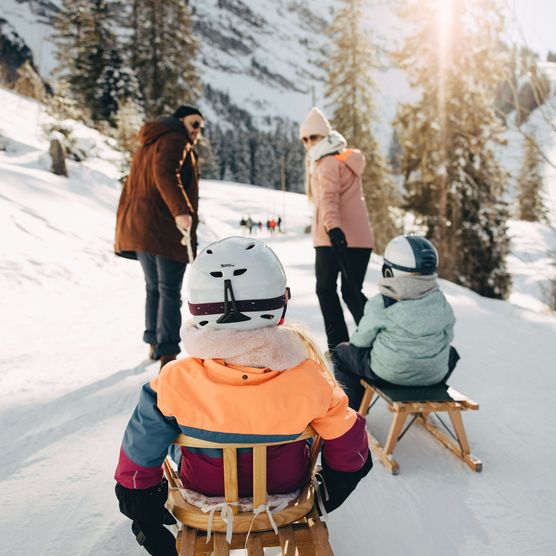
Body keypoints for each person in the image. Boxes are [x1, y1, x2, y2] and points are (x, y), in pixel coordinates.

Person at [114, 236, 372, 556]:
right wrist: (331, 490)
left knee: (171, 435)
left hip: (202, 494)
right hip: (285, 493)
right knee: (306, 433)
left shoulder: (174, 380)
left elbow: (137, 455)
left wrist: (145, 514)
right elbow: (352, 446)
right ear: (281, 304)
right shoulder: (311, 378)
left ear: (197, 308)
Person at [114, 105, 205, 369]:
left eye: (201, 126)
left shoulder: (149, 143)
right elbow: (166, 175)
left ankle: (154, 342)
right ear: (180, 121)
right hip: (165, 229)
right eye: (194, 123)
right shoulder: (175, 140)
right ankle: (168, 353)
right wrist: (181, 212)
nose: (198, 130)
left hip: (142, 227)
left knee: (154, 287)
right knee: (168, 291)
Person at [332, 235, 460, 410]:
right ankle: (424, 385)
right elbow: (448, 336)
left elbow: (360, 341)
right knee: (451, 353)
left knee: (340, 353)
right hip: (433, 375)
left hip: (388, 374)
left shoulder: (382, 302)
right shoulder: (440, 301)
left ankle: (353, 411)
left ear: (389, 271)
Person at [300, 107, 375, 352]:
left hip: (334, 236)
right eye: (305, 139)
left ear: (325, 135)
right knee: (352, 292)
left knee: (326, 289)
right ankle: (377, 340)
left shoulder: (327, 162)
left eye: (313, 137)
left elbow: (329, 199)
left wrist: (333, 228)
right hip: (359, 239)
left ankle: (339, 345)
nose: (309, 143)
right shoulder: (343, 159)